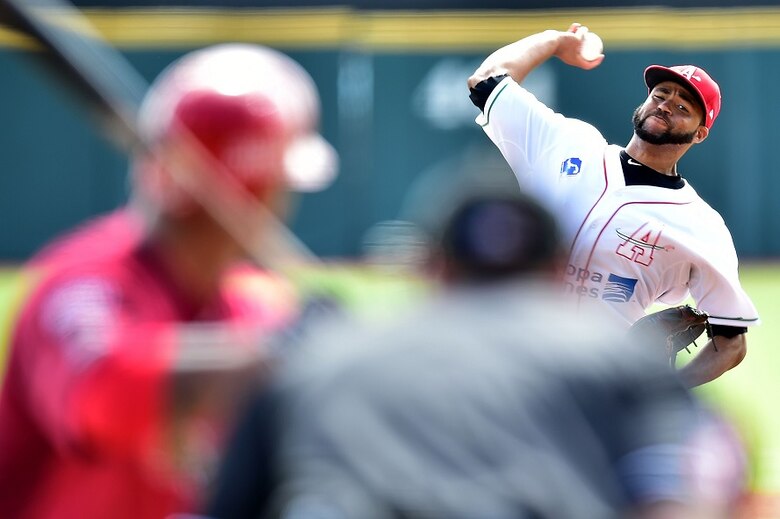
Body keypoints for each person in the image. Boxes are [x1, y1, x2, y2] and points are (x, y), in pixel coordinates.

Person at [205, 191, 747, 519]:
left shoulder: (325, 362)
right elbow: (696, 483)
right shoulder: (610, 365)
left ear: (431, 268)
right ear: (559, 272)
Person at [0, 43, 336, 519]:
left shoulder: (251, 307)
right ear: (256, 186)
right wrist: (284, 354)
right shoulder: (83, 280)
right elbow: (102, 394)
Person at [466, 23, 759, 387]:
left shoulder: (701, 225)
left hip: (590, 382)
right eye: (660, 94)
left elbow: (732, 343)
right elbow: (486, 81)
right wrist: (557, 40)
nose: (666, 105)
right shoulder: (569, 143)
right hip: (501, 355)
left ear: (700, 133)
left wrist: (664, 391)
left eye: (683, 106)